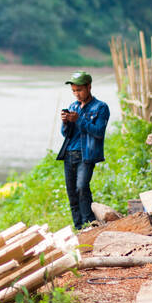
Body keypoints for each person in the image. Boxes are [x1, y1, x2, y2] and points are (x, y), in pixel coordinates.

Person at [56, 70, 110, 230]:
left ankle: (90, 224)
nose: (76, 94)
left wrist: (79, 120)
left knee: (81, 188)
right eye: (73, 91)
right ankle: (79, 228)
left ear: (89, 87)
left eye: (79, 90)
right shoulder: (73, 106)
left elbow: (99, 132)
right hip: (69, 154)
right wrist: (66, 123)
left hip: (86, 156)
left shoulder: (101, 107)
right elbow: (65, 134)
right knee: (72, 193)